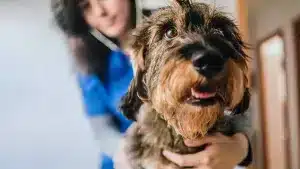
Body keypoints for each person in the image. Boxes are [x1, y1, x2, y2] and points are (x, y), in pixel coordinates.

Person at [51, 0, 252, 168]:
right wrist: (126, 153)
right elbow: (101, 128)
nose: (101, 11)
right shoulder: (88, 64)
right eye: (86, 6)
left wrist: (242, 147)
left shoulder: (175, 21)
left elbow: (233, 96)